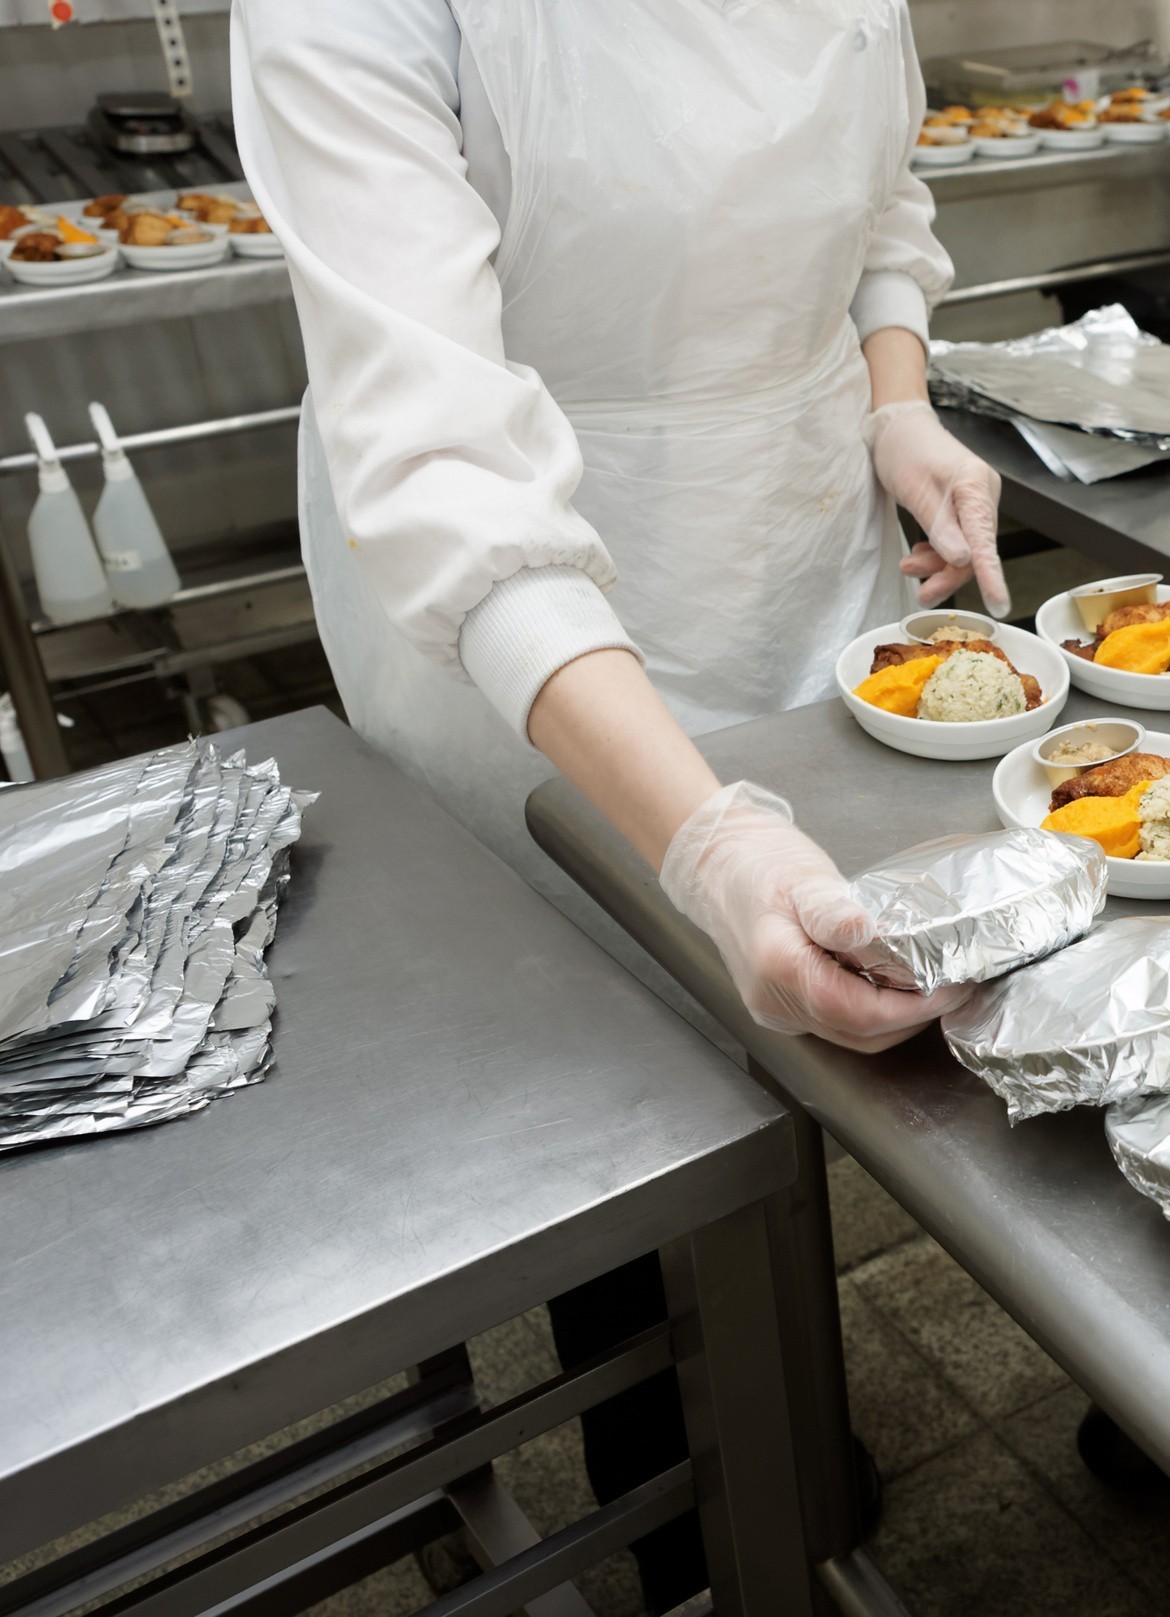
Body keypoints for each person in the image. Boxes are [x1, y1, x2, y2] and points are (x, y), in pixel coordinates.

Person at [233, 0, 998, 1604]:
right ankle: (677, 1503)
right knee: (619, 1064)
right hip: (514, 610)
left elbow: (877, 207)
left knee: (801, 1009)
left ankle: (790, 1413)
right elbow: (443, 459)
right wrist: (702, 835)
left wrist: (893, 397)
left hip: (792, 536)